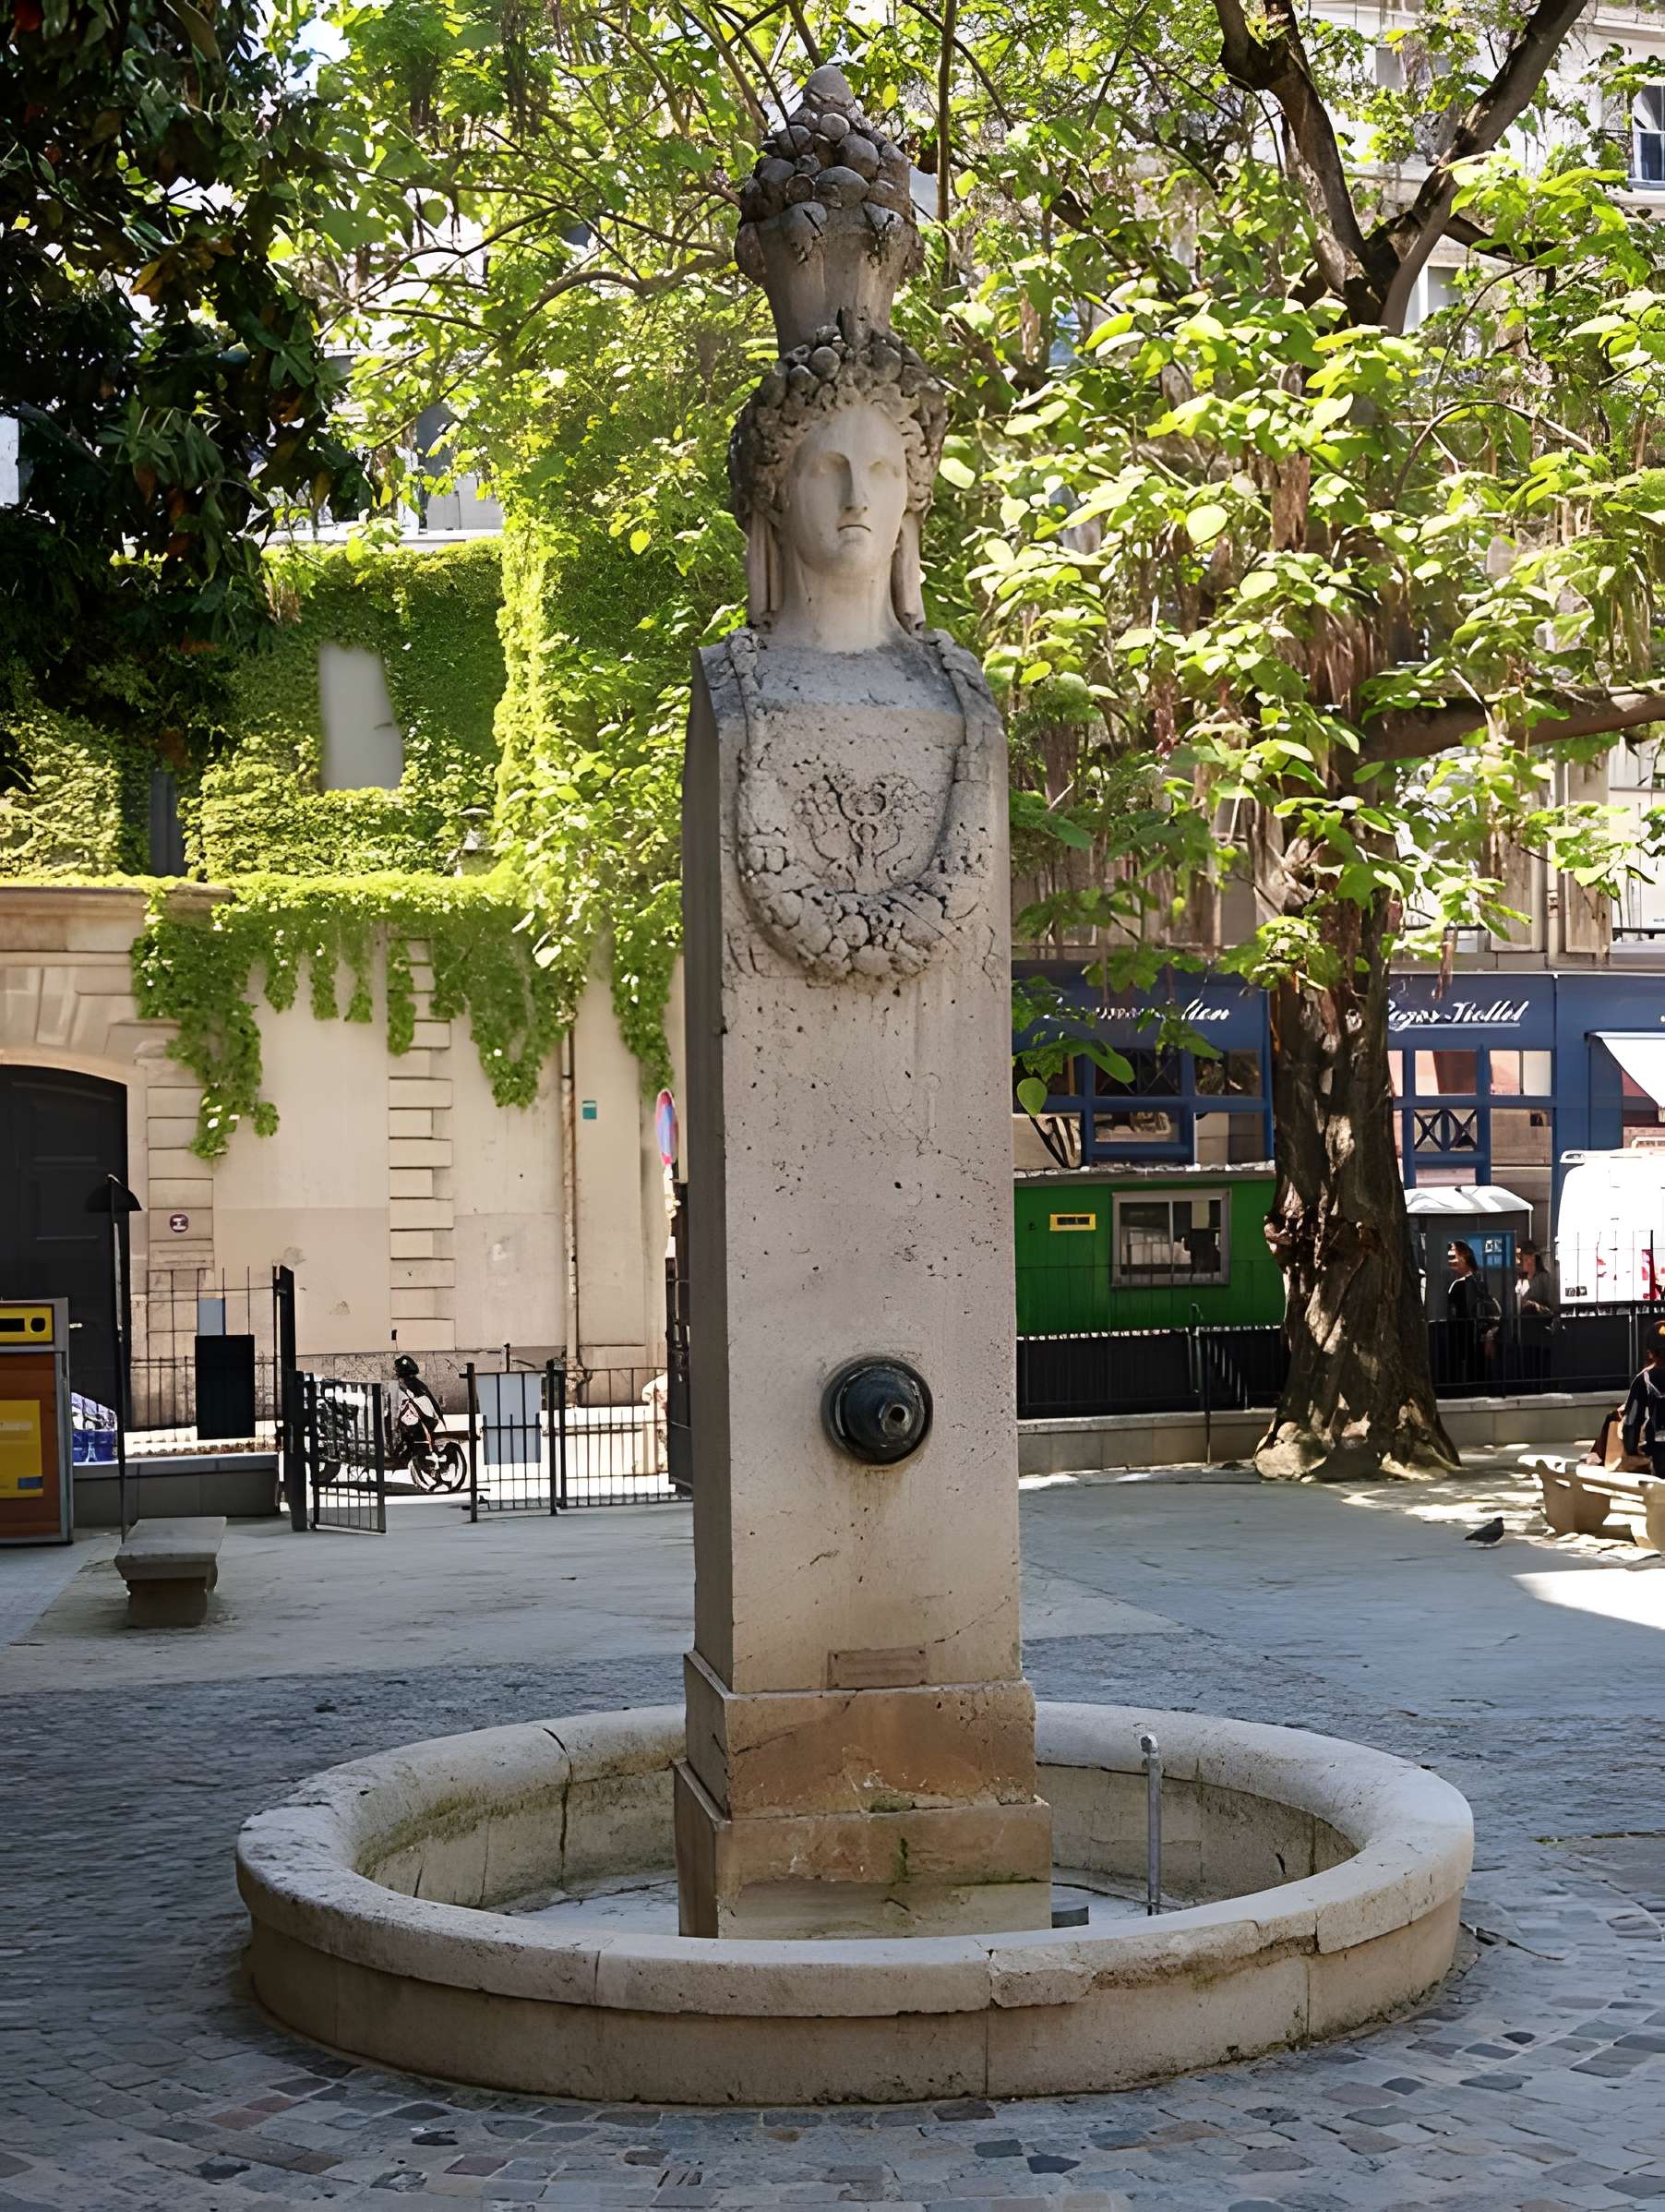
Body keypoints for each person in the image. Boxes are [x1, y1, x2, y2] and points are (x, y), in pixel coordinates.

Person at [1444, 1240, 1494, 1391]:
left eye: (1454, 1255)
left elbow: (1453, 1312)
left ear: (1464, 1257)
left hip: (1464, 1334)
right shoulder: (1480, 1281)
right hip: (1477, 1333)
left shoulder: (1458, 1285)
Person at [1622, 1331, 1665, 1479]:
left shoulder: (1643, 1379)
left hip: (1659, 1446)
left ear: (1650, 1353)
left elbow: (1632, 1419)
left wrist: (1631, 1448)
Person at [1516, 1243, 1559, 1389]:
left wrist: (1536, 1307)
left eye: (1525, 1258)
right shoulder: (1521, 1280)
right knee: (1527, 1369)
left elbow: (1553, 1308)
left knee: (1541, 1369)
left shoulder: (1544, 1279)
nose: (1522, 1262)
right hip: (1525, 1334)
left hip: (1540, 1333)